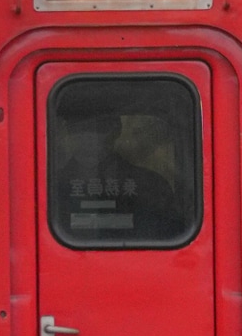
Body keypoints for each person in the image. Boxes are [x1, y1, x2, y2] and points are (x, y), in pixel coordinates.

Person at [54, 99, 184, 241]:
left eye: (100, 128)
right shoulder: (49, 188)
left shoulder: (150, 186)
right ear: (68, 132)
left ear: (116, 129)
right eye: (79, 129)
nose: (88, 137)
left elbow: (171, 237)